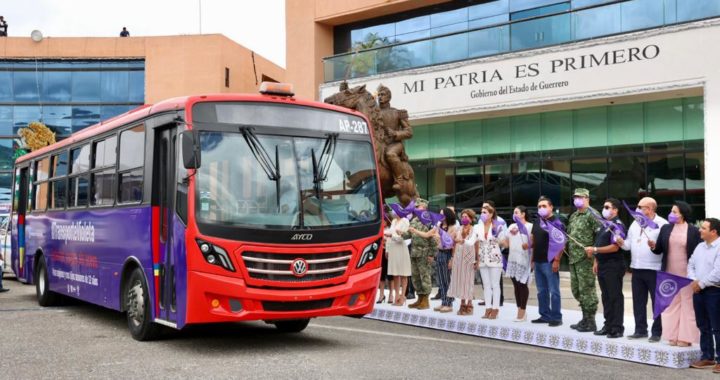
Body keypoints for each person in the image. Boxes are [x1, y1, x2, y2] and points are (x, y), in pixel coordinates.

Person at [616, 197, 668, 342]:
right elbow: (628, 245)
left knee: (656, 302)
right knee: (638, 301)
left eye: (640, 207)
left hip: (654, 268)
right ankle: (640, 329)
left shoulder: (662, 224)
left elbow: (665, 247)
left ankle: (657, 332)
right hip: (637, 268)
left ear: (650, 209)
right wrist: (621, 242)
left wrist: (655, 245)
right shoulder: (635, 223)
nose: (637, 210)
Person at [650, 201, 701, 347]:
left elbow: (697, 253)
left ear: (682, 214)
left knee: (687, 303)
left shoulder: (693, 231)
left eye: (675, 212)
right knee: (670, 304)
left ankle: (686, 338)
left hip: (687, 273)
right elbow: (659, 249)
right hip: (669, 271)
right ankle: (671, 336)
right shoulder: (666, 228)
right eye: (671, 211)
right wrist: (653, 246)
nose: (671, 214)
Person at [589, 198, 626, 339]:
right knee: (606, 297)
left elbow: (615, 247)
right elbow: (599, 242)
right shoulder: (604, 224)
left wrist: (595, 249)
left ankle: (617, 328)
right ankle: (608, 325)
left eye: (607, 207)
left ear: (615, 210)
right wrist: (596, 261)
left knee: (614, 296)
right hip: (603, 264)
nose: (604, 209)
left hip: (613, 265)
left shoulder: (617, 225)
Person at [566, 188, 602, 332]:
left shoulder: (593, 215)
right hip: (574, 258)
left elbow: (601, 236)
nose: (577, 199)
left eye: (580, 197)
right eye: (575, 197)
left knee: (587, 290)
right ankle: (584, 318)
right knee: (576, 290)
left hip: (586, 259)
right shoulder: (574, 216)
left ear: (587, 198)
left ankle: (590, 321)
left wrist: (595, 256)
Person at [688, 218, 720, 371]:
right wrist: (694, 281)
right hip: (698, 291)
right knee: (703, 325)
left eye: (704, 228)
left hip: (715, 291)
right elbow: (691, 264)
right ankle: (707, 357)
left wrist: (699, 284)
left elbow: (717, 273)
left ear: (713, 232)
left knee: (717, 326)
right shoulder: (700, 246)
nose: (700, 230)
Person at [531, 196, 564, 327]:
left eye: (544, 206)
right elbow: (534, 242)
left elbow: (561, 244)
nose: (541, 208)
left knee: (554, 291)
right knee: (541, 290)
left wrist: (557, 260)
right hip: (538, 261)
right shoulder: (537, 222)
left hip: (549, 261)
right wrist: (532, 259)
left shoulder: (556, 222)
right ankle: (544, 315)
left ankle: (556, 317)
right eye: (539, 206)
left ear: (551, 207)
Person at [376, 84, 412, 191]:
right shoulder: (375, 113)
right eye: (379, 95)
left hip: (395, 144)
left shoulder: (398, 112)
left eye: (383, 95)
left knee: (390, 154)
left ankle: (399, 179)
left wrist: (396, 133)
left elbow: (409, 132)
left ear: (388, 97)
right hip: (380, 144)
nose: (380, 97)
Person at [403, 198, 437, 310]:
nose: (416, 208)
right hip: (414, 252)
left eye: (418, 207)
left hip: (424, 252)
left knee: (425, 276)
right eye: (416, 207)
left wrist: (431, 254)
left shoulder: (429, 220)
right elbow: (409, 234)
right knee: (416, 277)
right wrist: (401, 233)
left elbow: (432, 239)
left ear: (425, 208)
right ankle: (419, 298)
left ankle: (425, 300)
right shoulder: (414, 220)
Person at [502, 206, 532, 322]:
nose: (514, 214)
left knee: (522, 285)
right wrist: (499, 239)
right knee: (516, 286)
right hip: (512, 259)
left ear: (523, 214)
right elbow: (506, 243)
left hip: (523, 260)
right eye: (514, 213)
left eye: (517, 212)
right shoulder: (511, 226)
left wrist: (529, 247)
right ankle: (519, 308)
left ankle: (523, 311)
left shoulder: (529, 226)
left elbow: (532, 243)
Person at [475, 203, 505, 319]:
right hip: (483, 259)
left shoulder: (498, 226)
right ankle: (488, 308)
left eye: (484, 212)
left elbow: (503, 242)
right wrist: (462, 240)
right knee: (486, 285)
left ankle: (495, 309)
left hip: (495, 259)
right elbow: (473, 241)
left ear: (491, 214)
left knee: (495, 285)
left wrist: (497, 237)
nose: (482, 214)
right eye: (481, 212)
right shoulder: (478, 227)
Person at [448, 209, 477, 315]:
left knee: (468, 281)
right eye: (462, 216)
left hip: (469, 258)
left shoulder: (475, 230)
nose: (464, 218)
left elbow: (476, 245)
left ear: (471, 218)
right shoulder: (458, 229)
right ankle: (462, 303)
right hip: (458, 258)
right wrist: (452, 258)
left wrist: (477, 260)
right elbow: (454, 245)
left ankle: (469, 303)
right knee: (460, 281)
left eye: (466, 217)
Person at [385, 211, 411, 306]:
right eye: (392, 211)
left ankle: (403, 295)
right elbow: (389, 237)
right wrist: (387, 250)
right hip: (393, 249)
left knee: (403, 273)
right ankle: (397, 296)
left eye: (395, 211)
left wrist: (392, 236)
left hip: (401, 248)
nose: (393, 212)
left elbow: (404, 237)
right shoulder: (393, 221)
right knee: (395, 274)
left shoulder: (405, 221)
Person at [433, 207, 456, 312]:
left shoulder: (452, 228)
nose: (441, 216)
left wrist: (452, 259)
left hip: (447, 254)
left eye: (443, 214)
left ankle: (449, 303)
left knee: (447, 280)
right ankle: (443, 301)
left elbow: (450, 244)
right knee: (441, 280)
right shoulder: (439, 226)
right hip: (440, 253)